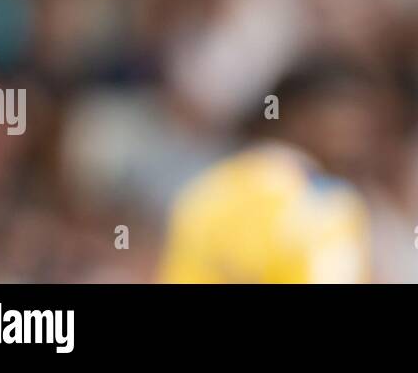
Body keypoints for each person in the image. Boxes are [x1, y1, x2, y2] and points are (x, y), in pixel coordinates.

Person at [159, 57, 379, 283]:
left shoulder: (206, 190)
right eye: (348, 125)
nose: (358, 142)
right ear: (299, 118)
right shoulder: (328, 202)